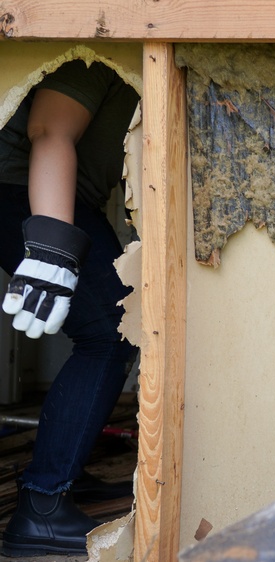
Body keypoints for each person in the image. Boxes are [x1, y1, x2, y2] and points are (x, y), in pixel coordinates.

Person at [0, 58, 140, 556]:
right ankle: (42, 507)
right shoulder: (100, 42)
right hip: (22, 193)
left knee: (115, 329)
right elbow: (49, 127)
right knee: (113, 330)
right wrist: (52, 246)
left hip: (37, 195)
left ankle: (61, 479)